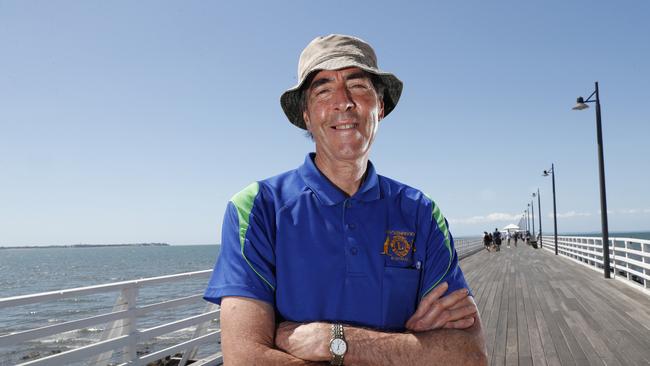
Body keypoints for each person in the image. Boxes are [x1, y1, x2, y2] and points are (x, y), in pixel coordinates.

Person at [203, 34, 487, 365]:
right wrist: (411, 349)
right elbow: (245, 359)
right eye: (323, 90)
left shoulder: (420, 212)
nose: (344, 102)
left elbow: (470, 354)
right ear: (306, 114)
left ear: (380, 107)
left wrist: (335, 340)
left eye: (359, 86)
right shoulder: (256, 208)